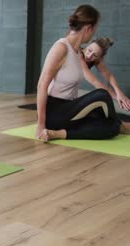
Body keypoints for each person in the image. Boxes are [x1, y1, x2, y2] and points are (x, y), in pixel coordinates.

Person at [36, 4, 130, 142]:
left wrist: (118, 93)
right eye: (94, 29)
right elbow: (41, 85)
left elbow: (105, 72)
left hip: (69, 109)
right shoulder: (61, 48)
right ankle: (123, 126)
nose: (94, 33)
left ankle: (58, 134)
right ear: (88, 28)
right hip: (54, 112)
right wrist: (40, 124)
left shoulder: (79, 52)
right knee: (102, 95)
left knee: (110, 126)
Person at [81, 37, 130, 110]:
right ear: (87, 45)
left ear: (100, 57)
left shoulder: (97, 60)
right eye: (89, 50)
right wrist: (117, 97)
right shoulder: (78, 56)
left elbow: (109, 76)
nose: (89, 56)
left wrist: (119, 92)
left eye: (95, 55)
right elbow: (96, 83)